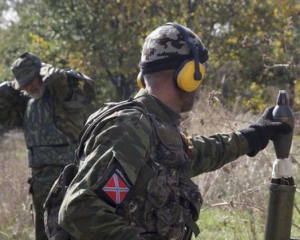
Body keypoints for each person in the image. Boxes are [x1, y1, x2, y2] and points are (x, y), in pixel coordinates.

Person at [58, 23, 291, 240]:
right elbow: (79, 209)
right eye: (200, 72)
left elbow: (194, 154)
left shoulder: (153, 126)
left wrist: (252, 136)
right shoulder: (130, 127)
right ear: (188, 75)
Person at [0, 52, 95, 240]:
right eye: (24, 84)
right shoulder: (28, 102)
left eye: (32, 80)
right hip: (40, 180)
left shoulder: (61, 93)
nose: (29, 86)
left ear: (41, 74)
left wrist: (45, 70)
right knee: (44, 231)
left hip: (70, 174)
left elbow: (60, 79)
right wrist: (12, 86)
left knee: (73, 229)